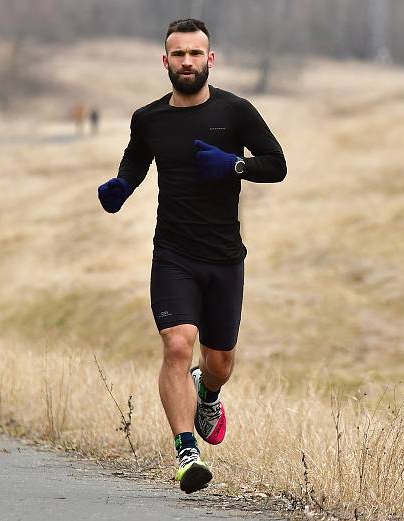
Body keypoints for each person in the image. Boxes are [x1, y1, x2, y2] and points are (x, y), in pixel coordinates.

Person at [97, 18, 286, 494]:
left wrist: (235, 165)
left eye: (195, 54)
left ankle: (208, 392)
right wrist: (121, 186)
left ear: (210, 59)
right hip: (173, 253)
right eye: (178, 55)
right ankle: (186, 452)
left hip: (224, 256)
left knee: (219, 361)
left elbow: (276, 165)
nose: (187, 62)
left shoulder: (236, 112)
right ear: (166, 61)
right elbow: (136, 160)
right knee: (177, 345)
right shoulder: (149, 119)